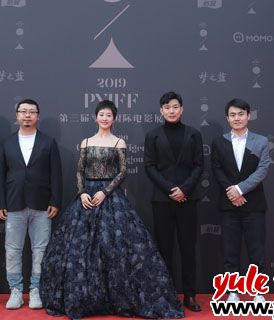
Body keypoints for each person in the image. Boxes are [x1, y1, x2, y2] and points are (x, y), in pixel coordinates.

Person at [40, 100, 184, 319]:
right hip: (86, 198)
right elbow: (79, 171)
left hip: (110, 197)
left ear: (114, 119)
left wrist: (104, 192)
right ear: (95, 117)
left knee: (115, 247)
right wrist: (82, 193)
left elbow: (122, 172)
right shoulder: (86, 142)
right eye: (102, 115)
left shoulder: (119, 142)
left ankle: (118, 297)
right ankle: (85, 298)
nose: (105, 118)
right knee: (80, 249)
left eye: (109, 115)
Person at [0, 98, 63, 310]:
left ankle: (35, 290)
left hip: (42, 205)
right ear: (17, 115)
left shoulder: (48, 142)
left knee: (40, 250)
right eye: (23, 111)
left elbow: (56, 175)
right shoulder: (5, 143)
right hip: (13, 204)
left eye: (31, 112)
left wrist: (55, 201)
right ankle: (15, 290)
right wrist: (0, 202)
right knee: (12, 250)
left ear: (37, 116)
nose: (27, 115)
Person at [144, 91, 204, 312]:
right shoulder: (153, 135)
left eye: (175, 107)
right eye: (167, 107)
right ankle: (166, 295)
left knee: (188, 248)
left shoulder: (194, 134)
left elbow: (199, 165)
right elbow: (149, 166)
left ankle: (190, 295)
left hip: (188, 198)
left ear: (182, 109)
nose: (171, 111)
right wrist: (170, 189)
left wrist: (184, 189)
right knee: (164, 249)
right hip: (162, 199)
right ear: (161, 110)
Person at [210, 98, 271, 303]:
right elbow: (217, 169)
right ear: (227, 118)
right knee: (230, 251)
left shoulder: (261, 141)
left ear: (248, 116)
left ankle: (258, 292)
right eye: (233, 115)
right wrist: (232, 193)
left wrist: (239, 189)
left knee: (256, 251)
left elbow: (262, 170)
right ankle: (232, 292)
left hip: (254, 204)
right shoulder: (219, 142)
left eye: (241, 114)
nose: (237, 118)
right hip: (228, 205)